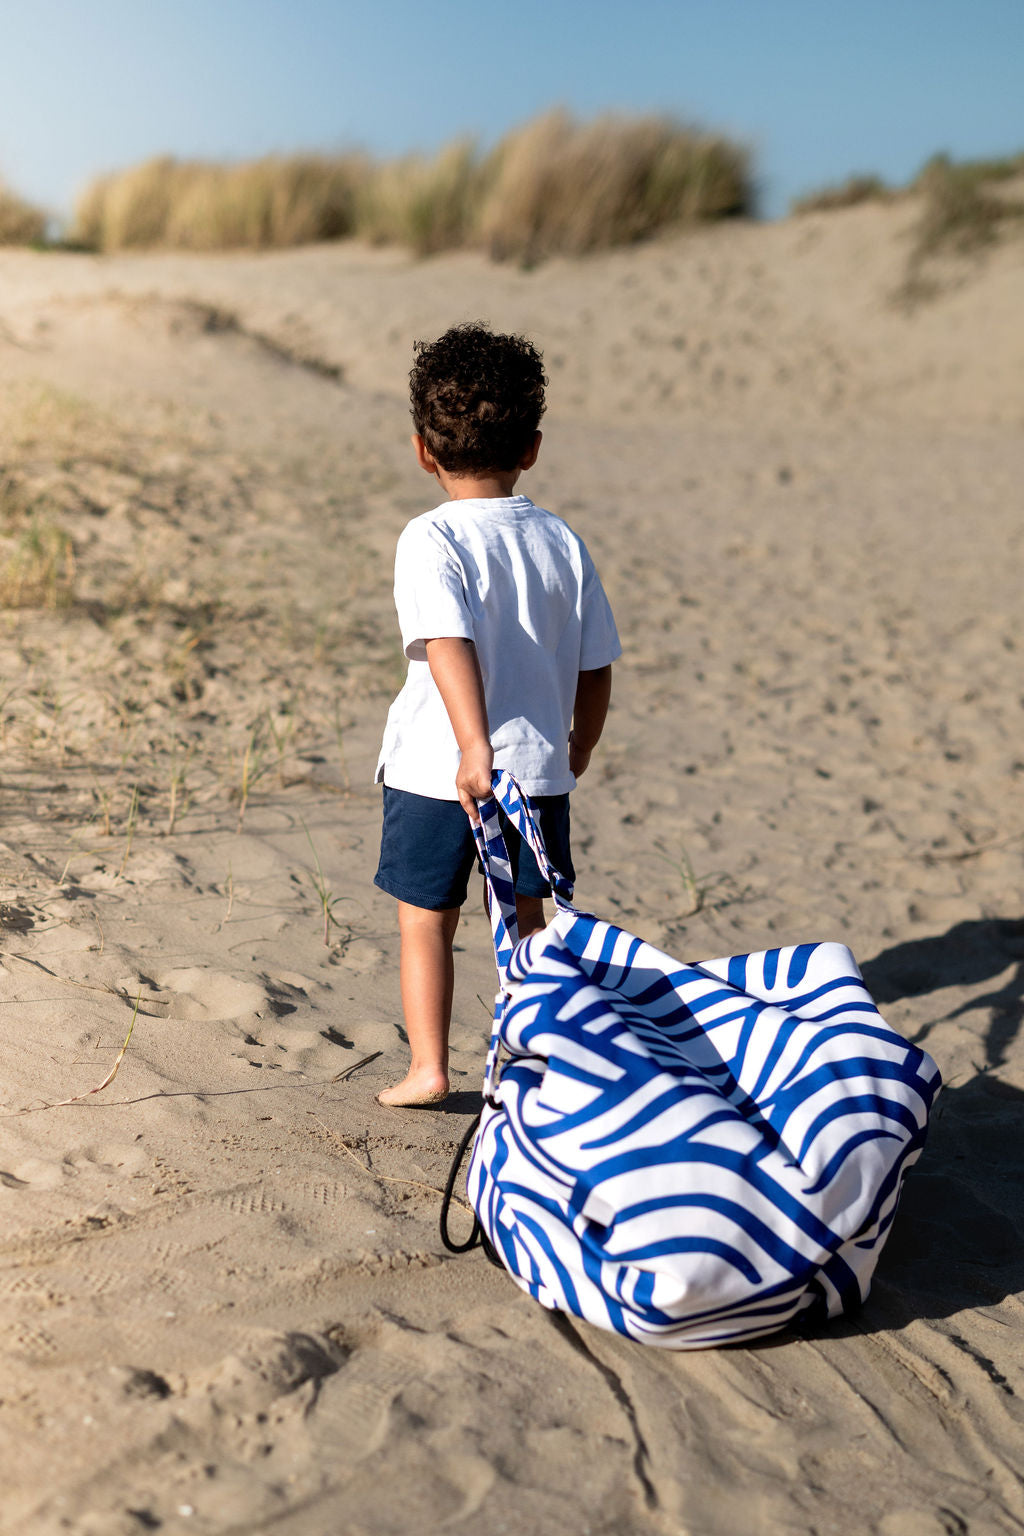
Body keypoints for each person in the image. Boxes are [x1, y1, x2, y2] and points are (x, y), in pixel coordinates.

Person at [373, 321, 620, 1107]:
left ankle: (429, 1068)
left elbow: (446, 641)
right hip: (535, 771)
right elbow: (596, 663)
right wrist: (580, 744)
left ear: (423, 451)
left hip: (438, 768)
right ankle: (533, 1066)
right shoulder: (560, 540)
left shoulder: (430, 536)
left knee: (425, 918)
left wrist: (473, 746)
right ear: (532, 448)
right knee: (525, 922)